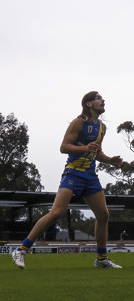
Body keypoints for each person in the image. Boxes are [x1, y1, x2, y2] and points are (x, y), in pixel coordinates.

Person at [11, 91, 123, 269]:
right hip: (73, 173)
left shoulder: (102, 127)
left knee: (103, 215)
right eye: (98, 98)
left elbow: (97, 151)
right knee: (57, 212)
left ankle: (101, 259)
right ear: (88, 104)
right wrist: (85, 148)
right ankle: (21, 249)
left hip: (90, 175)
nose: (103, 100)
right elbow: (64, 147)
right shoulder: (78, 122)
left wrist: (109, 160)